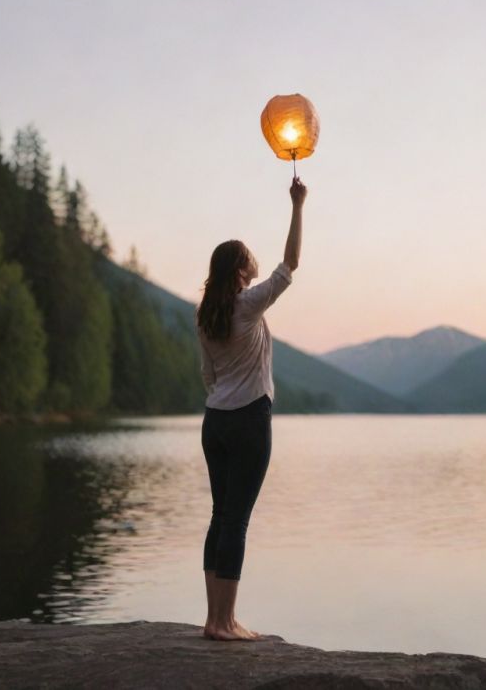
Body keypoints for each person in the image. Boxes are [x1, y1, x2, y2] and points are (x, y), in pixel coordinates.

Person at [194, 175, 307, 641]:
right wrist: (297, 204)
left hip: (214, 420)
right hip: (248, 421)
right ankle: (225, 623)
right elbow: (291, 264)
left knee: (220, 515)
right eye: (248, 265)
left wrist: (224, 395)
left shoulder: (206, 313)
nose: (253, 271)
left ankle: (213, 618)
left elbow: (207, 376)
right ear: (241, 271)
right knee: (235, 520)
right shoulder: (248, 304)